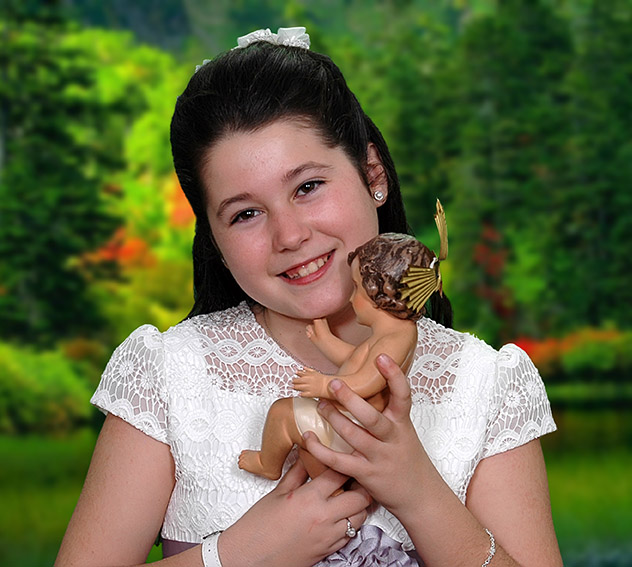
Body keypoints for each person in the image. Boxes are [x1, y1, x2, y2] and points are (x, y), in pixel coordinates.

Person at [56, 27, 563, 567]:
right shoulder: (168, 376)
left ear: (372, 173)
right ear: (215, 240)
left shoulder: (485, 386)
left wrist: (420, 494)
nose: (290, 235)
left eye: (307, 187)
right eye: (245, 214)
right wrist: (238, 553)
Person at [239, 230, 437, 481]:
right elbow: (356, 359)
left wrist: (325, 385)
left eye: (356, 288)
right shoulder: (394, 333)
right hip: (348, 424)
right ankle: (329, 488)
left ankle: (267, 464)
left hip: (351, 427)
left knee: (283, 412)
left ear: (380, 294)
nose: (351, 298)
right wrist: (326, 341)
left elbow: (368, 381)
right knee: (309, 447)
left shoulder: (394, 339)